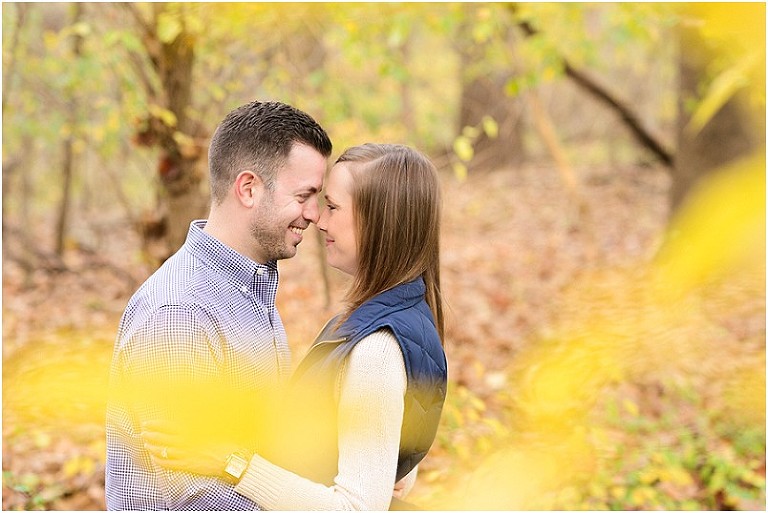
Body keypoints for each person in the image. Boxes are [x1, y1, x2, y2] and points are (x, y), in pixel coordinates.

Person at [142, 143, 448, 510]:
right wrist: (387, 462)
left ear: (383, 222)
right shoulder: (406, 314)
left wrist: (232, 463)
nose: (319, 220)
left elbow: (356, 508)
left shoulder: (377, 348)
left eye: (333, 207)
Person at [105, 100, 333, 510]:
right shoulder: (181, 314)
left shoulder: (246, 291)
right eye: (304, 196)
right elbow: (196, 499)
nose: (314, 215)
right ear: (248, 188)